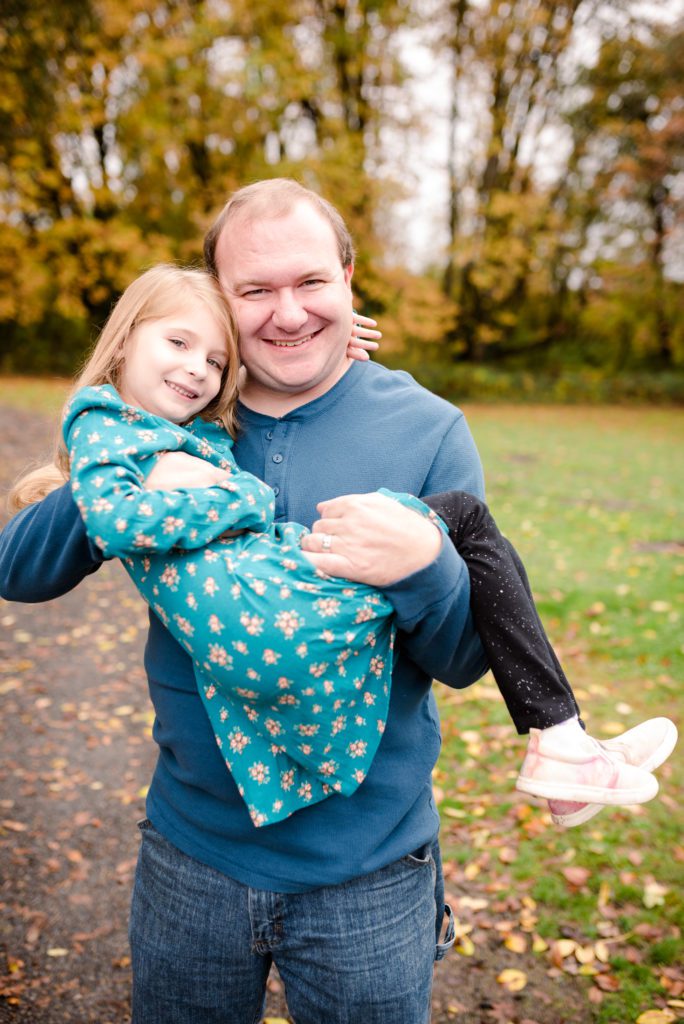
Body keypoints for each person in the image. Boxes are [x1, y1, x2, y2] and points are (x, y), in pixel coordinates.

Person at [0, 179, 676, 1023]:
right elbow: (18, 571)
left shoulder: (426, 427)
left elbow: (463, 661)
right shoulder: (183, 412)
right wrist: (131, 479)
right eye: (255, 292)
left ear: (349, 278)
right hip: (191, 856)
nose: (287, 314)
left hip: (372, 876)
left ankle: (561, 742)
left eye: (310, 283)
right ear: (222, 302)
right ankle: (566, 741)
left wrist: (427, 565)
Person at [48, 264, 666, 831]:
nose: (196, 370)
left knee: (459, 532)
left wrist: (304, 347)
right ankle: (561, 737)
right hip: (281, 606)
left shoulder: (174, 427)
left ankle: (570, 752)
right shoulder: (103, 422)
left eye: (213, 360)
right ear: (124, 339)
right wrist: (230, 494)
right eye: (178, 345)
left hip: (268, 615)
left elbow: (210, 391)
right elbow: (113, 517)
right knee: (469, 520)